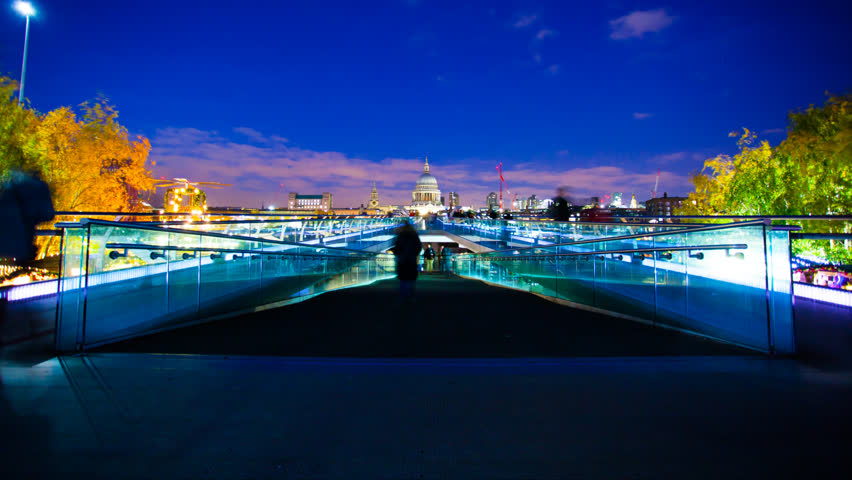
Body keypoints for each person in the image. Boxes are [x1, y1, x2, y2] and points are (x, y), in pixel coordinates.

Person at [393, 222, 422, 301]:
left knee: (403, 278)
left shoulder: (400, 236)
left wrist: (398, 254)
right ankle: (410, 294)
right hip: (411, 259)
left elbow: (397, 247)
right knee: (411, 278)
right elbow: (418, 247)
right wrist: (414, 253)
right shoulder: (414, 236)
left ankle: (403, 295)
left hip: (402, 259)